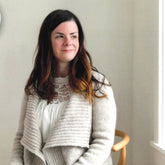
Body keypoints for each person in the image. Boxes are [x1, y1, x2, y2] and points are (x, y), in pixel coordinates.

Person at [10, 9, 116, 165]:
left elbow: (103, 142)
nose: (68, 42)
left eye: (74, 36)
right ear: (47, 41)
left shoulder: (98, 85)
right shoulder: (35, 87)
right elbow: (21, 138)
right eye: (60, 36)